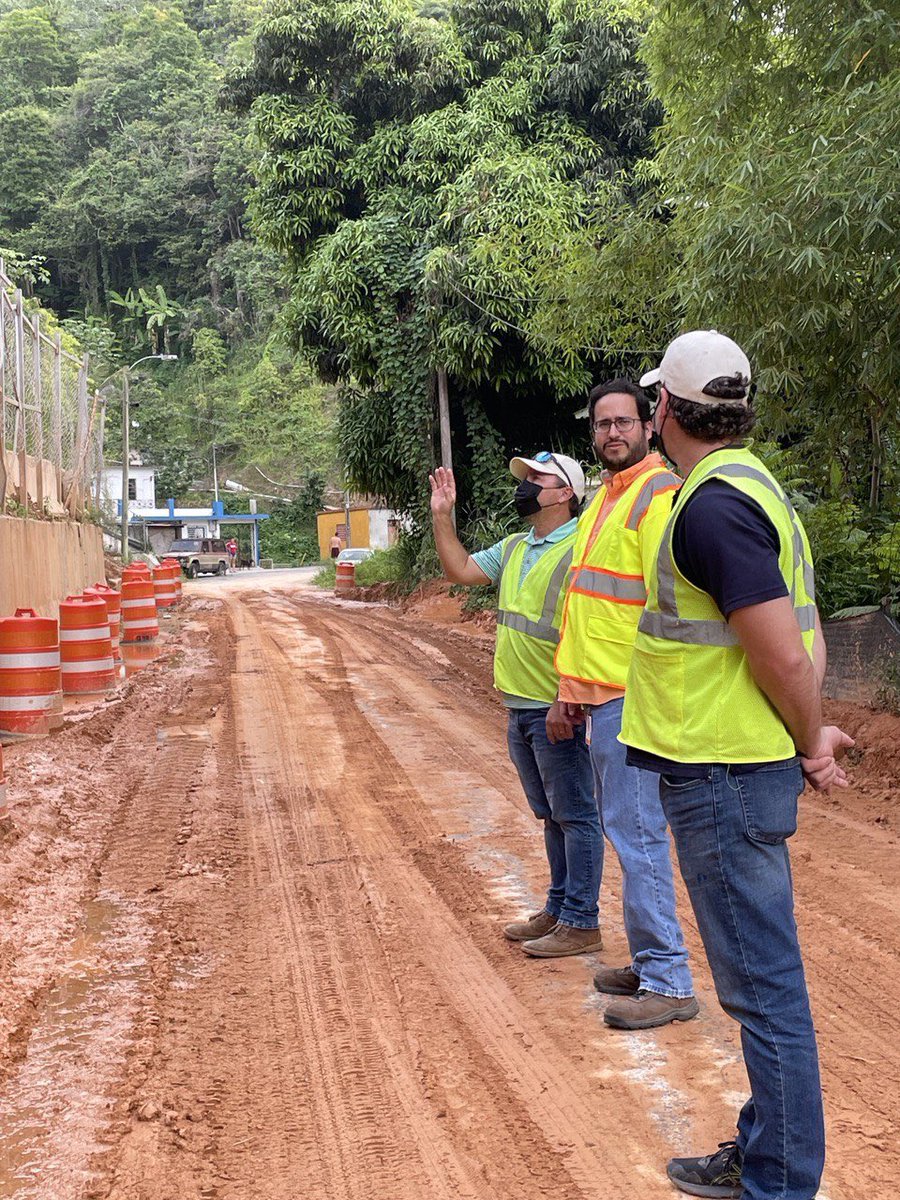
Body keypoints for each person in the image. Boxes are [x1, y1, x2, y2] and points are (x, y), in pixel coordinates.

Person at [621, 330, 853, 1200]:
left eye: (652, 403)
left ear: (666, 411)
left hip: (722, 774)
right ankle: (766, 1153)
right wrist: (808, 735)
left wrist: (810, 738)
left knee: (764, 995)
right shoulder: (758, 492)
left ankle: (781, 1183)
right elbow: (806, 632)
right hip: (732, 768)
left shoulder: (713, 508)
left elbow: (783, 658)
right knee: (761, 988)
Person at [545, 379, 698, 1027]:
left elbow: (669, 605)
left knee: (637, 836)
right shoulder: (609, 498)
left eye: (624, 422)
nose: (612, 432)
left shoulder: (655, 496)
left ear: (647, 427)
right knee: (628, 833)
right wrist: (573, 690)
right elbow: (593, 610)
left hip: (636, 698)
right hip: (603, 695)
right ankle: (648, 958)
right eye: (602, 424)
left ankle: (668, 978)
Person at [430, 453, 603, 956]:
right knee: (552, 815)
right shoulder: (515, 547)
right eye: (525, 479)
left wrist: (565, 696)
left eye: (538, 479)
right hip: (519, 707)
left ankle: (582, 920)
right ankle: (559, 907)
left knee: (577, 815)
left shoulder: (582, 549)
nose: (526, 486)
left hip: (558, 707)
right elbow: (459, 569)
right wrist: (443, 514)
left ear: (565, 492)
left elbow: (589, 630)